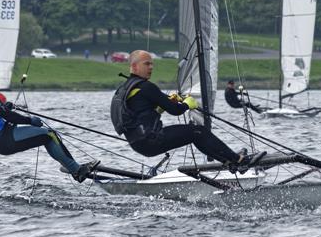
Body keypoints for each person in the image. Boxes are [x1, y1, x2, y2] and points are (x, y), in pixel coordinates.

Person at [111, 50, 265, 170]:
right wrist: (187, 104)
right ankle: (238, 161)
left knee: (196, 134)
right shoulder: (146, 87)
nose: (151, 67)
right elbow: (176, 111)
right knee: (198, 132)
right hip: (152, 140)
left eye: (152, 64)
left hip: (138, 144)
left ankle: (230, 161)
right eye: (147, 64)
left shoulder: (124, 89)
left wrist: (159, 108)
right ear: (134, 66)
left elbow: (138, 115)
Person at [0, 65, 99, 182]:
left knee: (46, 137)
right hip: (5, 138)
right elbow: (8, 116)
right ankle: (77, 171)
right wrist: (30, 120)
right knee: (49, 135)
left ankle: (72, 166)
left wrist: (3, 107)